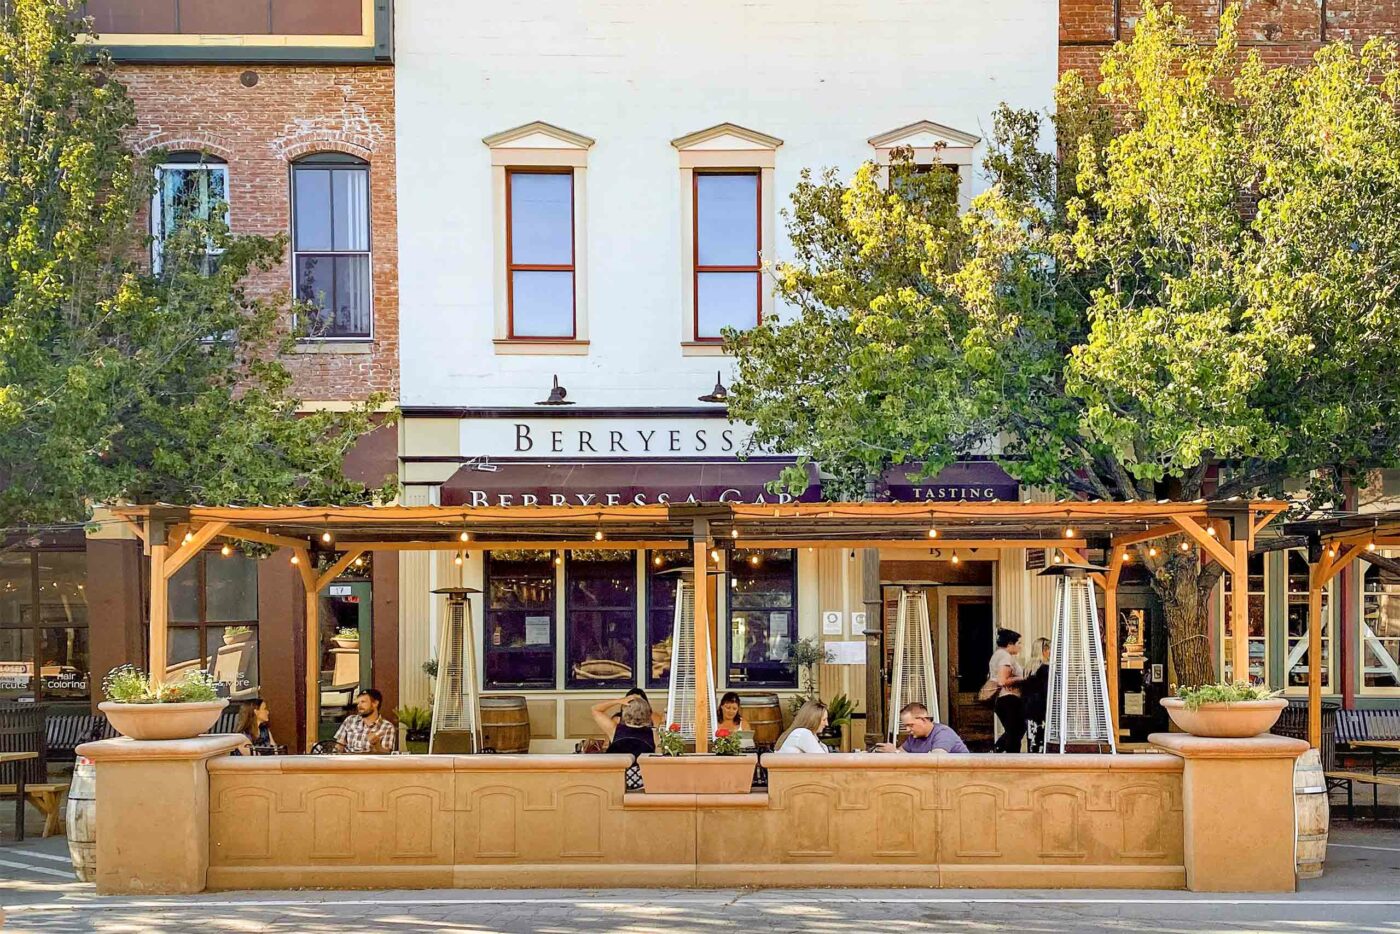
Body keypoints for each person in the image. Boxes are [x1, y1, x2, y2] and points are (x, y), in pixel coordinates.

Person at [874, 702, 968, 754]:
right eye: (905, 726)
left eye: (910, 725)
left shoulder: (943, 733)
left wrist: (896, 752)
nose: (907, 730)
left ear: (923, 720)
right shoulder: (914, 737)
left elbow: (936, 762)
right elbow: (902, 756)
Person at [988, 629, 1027, 753]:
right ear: (1010, 644)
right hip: (1009, 699)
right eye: (1018, 643)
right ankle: (1009, 757)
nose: (1020, 646)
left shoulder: (998, 655)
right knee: (1016, 730)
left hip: (1003, 700)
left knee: (1015, 729)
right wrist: (1022, 678)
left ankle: (999, 749)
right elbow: (1002, 680)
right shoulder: (1005, 657)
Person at [333, 688, 396, 754]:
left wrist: (377, 745)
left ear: (375, 703)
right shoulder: (350, 720)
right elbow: (339, 746)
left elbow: (387, 755)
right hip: (348, 762)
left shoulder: (387, 727)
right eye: (358, 703)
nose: (359, 706)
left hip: (371, 763)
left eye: (363, 702)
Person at [591, 694, 656, 755]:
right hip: (643, 767)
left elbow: (595, 709)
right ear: (647, 712)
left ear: (624, 712)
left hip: (618, 765)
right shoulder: (654, 733)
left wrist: (618, 701)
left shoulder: (614, 730)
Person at [1023, 637, 1052, 752]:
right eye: (1049, 649)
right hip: (1041, 711)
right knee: (1041, 742)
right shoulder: (1045, 669)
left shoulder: (1029, 667)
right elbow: (1047, 692)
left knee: (1032, 740)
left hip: (1029, 710)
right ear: (1044, 651)